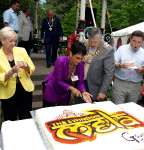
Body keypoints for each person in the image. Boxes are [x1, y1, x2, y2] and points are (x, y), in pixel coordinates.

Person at [0, 27, 35, 121]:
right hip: (8, 93)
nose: (14, 44)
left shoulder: (21, 50)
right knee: (10, 119)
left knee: (26, 118)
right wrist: (11, 71)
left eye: (15, 41)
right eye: (10, 41)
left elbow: (32, 67)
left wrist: (26, 66)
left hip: (25, 89)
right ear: (2, 40)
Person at [42, 41, 92, 107]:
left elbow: (80, 82)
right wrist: (72, 88)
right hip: (52, 91)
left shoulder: (81, 64)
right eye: (77, 58)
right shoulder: (60, 61)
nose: (79, 61)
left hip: (65, 95)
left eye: (81, 58)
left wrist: (83, 91)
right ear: (71, 54)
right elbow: (59, 81)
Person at [112, 30, 144, 104]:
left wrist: (142, 69)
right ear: (130, 39)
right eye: (134, 41)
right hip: (120, 83)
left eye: (139, 42)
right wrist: (120, 65)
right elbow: (113, 62)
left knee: (131, 108)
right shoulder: (122, 49)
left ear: (142, 42)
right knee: (118, 107)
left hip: (135, 85)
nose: (136, 44)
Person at [85, 27, 115, 101]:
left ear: (100, 38)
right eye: (90, 41)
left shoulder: (108, 50)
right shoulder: (85, 45)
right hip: (82, 84)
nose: (92, 44)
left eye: (95, 42)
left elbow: (109, 73)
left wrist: (102, 91)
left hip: (96, 88)